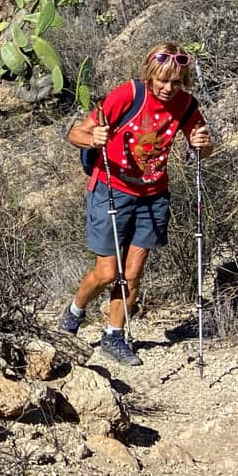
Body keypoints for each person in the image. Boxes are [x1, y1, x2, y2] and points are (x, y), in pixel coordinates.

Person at [62, 43, 214, 366]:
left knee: (132, 272)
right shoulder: (129, 94)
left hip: (153, 195)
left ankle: (114, 336)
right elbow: (76, 133)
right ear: (150, 74)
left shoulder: (185, 105)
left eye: (175, 82)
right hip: (111, 189)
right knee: (107, 273)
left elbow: (201, 144)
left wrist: (203, 144)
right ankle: (74, 313)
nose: (168, 88)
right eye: (162, 80)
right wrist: (93, 139)